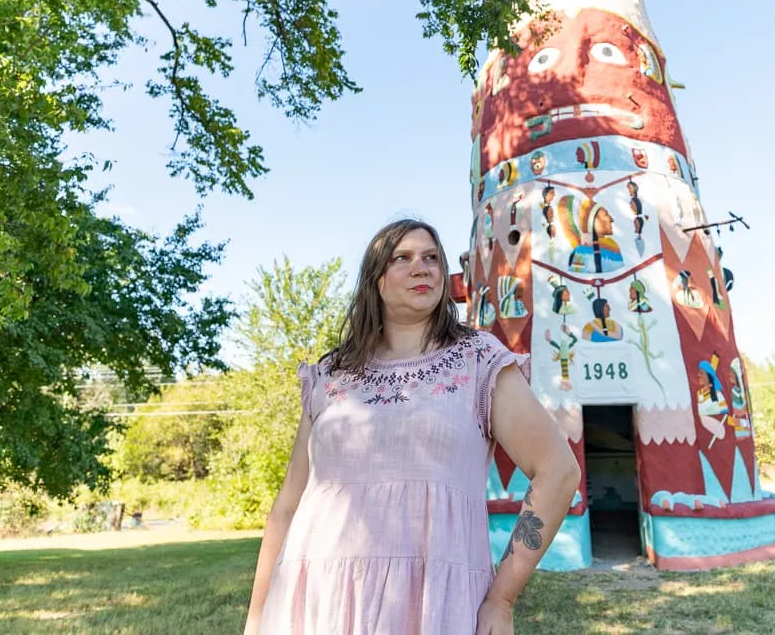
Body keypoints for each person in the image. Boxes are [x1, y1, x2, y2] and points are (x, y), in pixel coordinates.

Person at [243, 219, 581, 635]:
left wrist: (502, 599)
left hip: (432, 601)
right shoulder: (330, 373)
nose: (423, 268)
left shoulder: (479, 360)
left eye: (432, 258)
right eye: (402, 258)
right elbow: (287, 507)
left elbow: (558, 472)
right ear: (376, 281)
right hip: (315, 597)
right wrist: (258, 615)